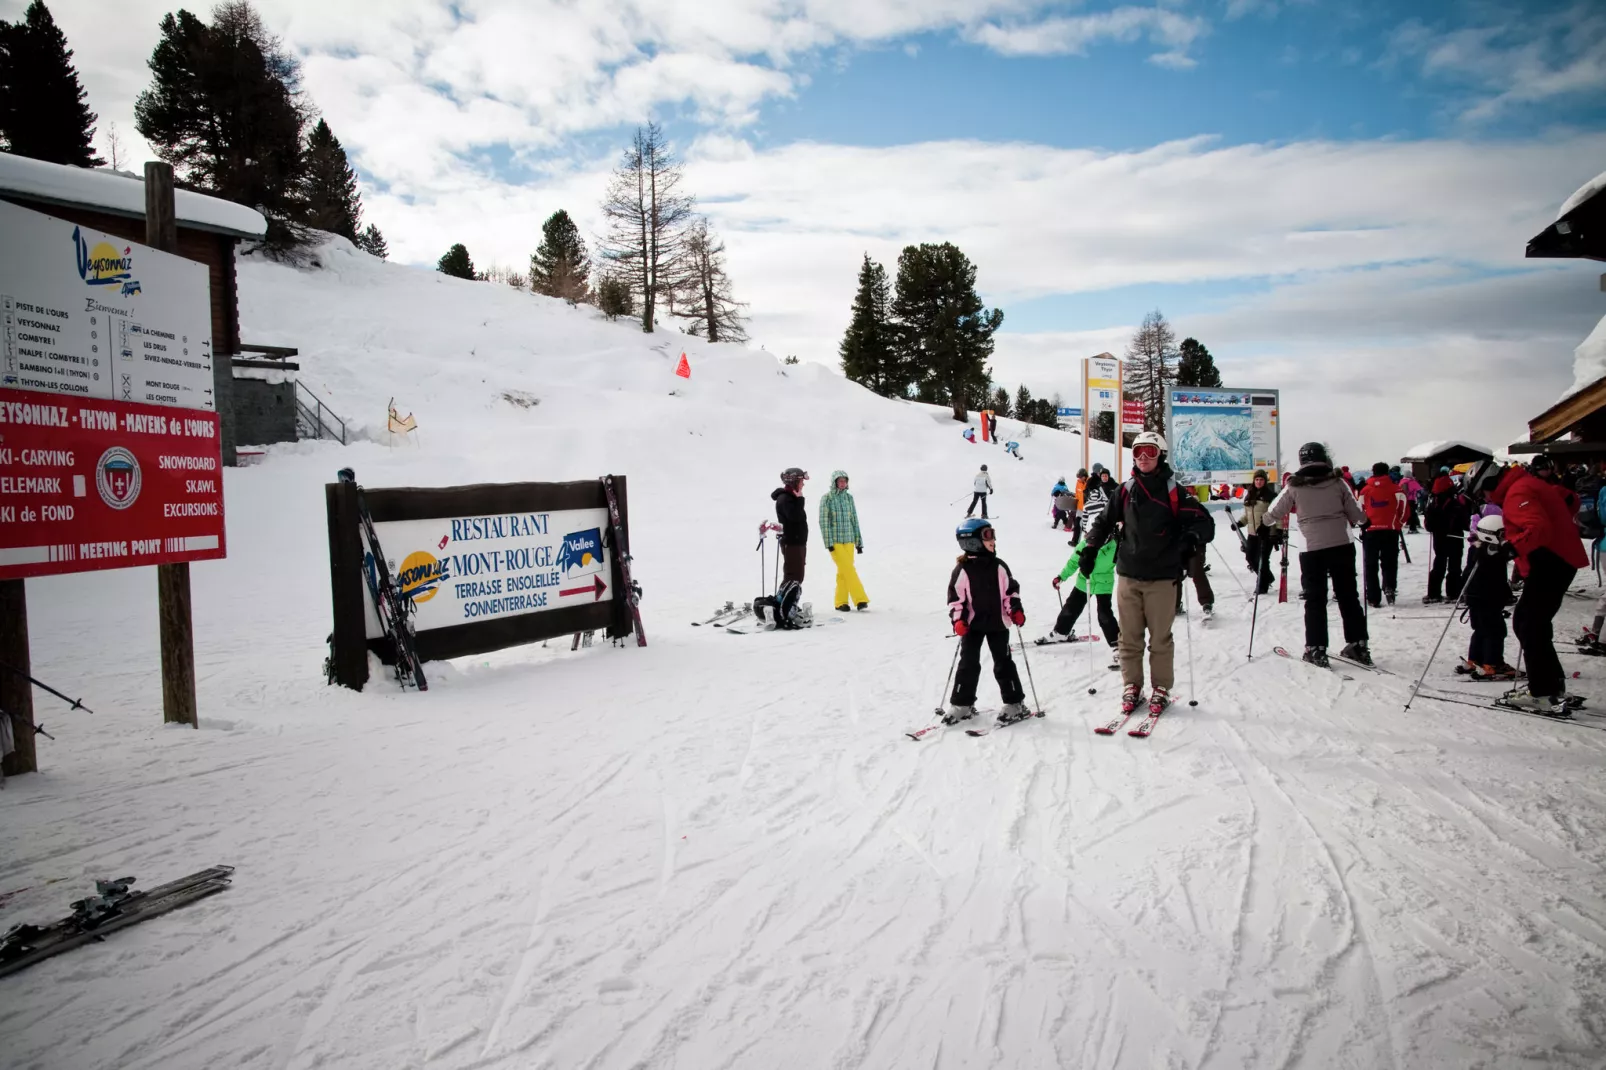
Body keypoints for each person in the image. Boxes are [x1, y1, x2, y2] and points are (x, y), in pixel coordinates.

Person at [1079, 431, 1215, 716]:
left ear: (1160, 455)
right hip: (1129, 574)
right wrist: (1090, 547)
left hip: (1163, 578)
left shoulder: (1173, 491)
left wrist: (1190, 538)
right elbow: (1102, 522)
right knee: (1128, 637)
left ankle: (1161, 687)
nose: (1143, 457)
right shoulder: (1125, 490)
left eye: (1149, 452)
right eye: (1138, 451)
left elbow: (1206, 523)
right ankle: (1132, 685)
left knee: (1160, 638)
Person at [1487, 455, 1589, 715]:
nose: (1486, 499)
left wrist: (1511, 547)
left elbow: (1538, 527)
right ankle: (1551, 686)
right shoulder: (1526, 484)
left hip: (1553, 561)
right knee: (1534, 624)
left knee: (1528, 624)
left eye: (1484, 493)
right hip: (1558, 559)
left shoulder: (1517, 490)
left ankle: (1542, 691)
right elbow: (1570, 499)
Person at [1265, 441, 1370, 667]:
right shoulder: (1339, 482)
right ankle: (1358, 645)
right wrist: (1363, 521)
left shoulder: (1293, 485)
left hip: (1311, 547)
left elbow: (1274, 511)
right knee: (1348, 595)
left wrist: (1265, 521)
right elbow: (1358, 513)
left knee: (1315, 598)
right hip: (1342, 543)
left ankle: (1316, 648)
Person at [946, 519, 1029, 724]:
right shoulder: (962, 570)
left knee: (1003, 663)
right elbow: (956, 601)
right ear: (971, 541)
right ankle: (962, 704)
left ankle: (1014, 703)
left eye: (992, 534)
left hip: (998, 625)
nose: (993, 540)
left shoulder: (999, 567)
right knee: (968, 663)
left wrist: (1015, 610)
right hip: (972, 626)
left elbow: (1010, 593)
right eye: (987, 535)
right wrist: (959, 621)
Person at [1460, 514, 1519, 680]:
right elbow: (1512, 553)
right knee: (1495, 631)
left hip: (1477, 597)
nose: (1505, 538)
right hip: (1487, 598)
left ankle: (1475, 659)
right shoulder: (1489, 552)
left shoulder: (1479, 548)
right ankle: (1492, 663)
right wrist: (1506, 545)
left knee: (1481, 629)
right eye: (1502, 534)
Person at [1041, 534, 1118, 646]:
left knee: (1104, 614)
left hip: (1104, 583)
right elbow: (1073, 563)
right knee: (1071, 607)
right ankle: (1061, 632)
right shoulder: (1085, 544)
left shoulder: (1115, 546)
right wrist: (1061, 577)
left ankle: (1117, 645)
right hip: (1084, 580)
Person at [818, 470, 868, 612]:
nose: (842, 483)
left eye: (844, 481)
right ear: (834, 482)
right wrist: (829, 543)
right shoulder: (826, 498)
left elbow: (854, 520)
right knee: (849, 569)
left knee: (843, 571)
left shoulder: (849, 498)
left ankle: (841, 602)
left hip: (849, 540)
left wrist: (858, 542)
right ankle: (861, 599)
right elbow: (823, 521)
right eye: (840, 481)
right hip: (836, 541)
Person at [1359, 461, 1406, 607]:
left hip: (1370, 531)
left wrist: (1363, 525)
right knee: (1390, 562)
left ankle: (1373, 597)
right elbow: (1404, 510)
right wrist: (1398, 524)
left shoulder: (1364, 490)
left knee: (1371, 565)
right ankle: (1389, 587)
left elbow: (1359, 510)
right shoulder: (1396, 489)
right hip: (1390, 530)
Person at [1424, 465, 1471, 603]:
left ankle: (1433, 593)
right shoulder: (1456, 503)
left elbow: (1428, 525)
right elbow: (1465, 522)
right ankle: (1454, 593)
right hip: (1455, 537)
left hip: (1439, 538)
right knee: (1454, 566)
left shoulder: (1433, 503)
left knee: (1438, 564)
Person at [1238, 468, 1279, 596]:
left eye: (1261, 480)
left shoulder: (1271, 496)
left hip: (1266, 533)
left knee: (1262, 559)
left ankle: (1262, 585)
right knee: (1250, 557)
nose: (1259, 482)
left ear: (1265, 481)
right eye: (1256, 479)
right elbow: (1248, 515)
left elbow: (1277, 514)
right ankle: (1268, 577)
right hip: (1253, 533)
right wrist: (1240, 523)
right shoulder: (1250, 495)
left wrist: (1277, 531)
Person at [771, 467, 809, 588]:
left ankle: (787, 603)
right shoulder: (786, 499)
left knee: (796, 576)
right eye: (801, 481)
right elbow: (796, 517)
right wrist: (800, 500)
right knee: (793, 576)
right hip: (792, 543)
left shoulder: (790, 497)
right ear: (794, 482)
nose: (803, 484)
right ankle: (784, 604)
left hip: (796, 542)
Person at [1394, 466, 1423, 533]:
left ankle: (1406, 524)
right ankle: (1413, 528)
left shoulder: (1401, 481)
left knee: (1406, 513)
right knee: (1412, 513)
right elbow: (1419, 489)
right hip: (1411, 499)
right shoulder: (1412, 481)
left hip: (1403, 500)